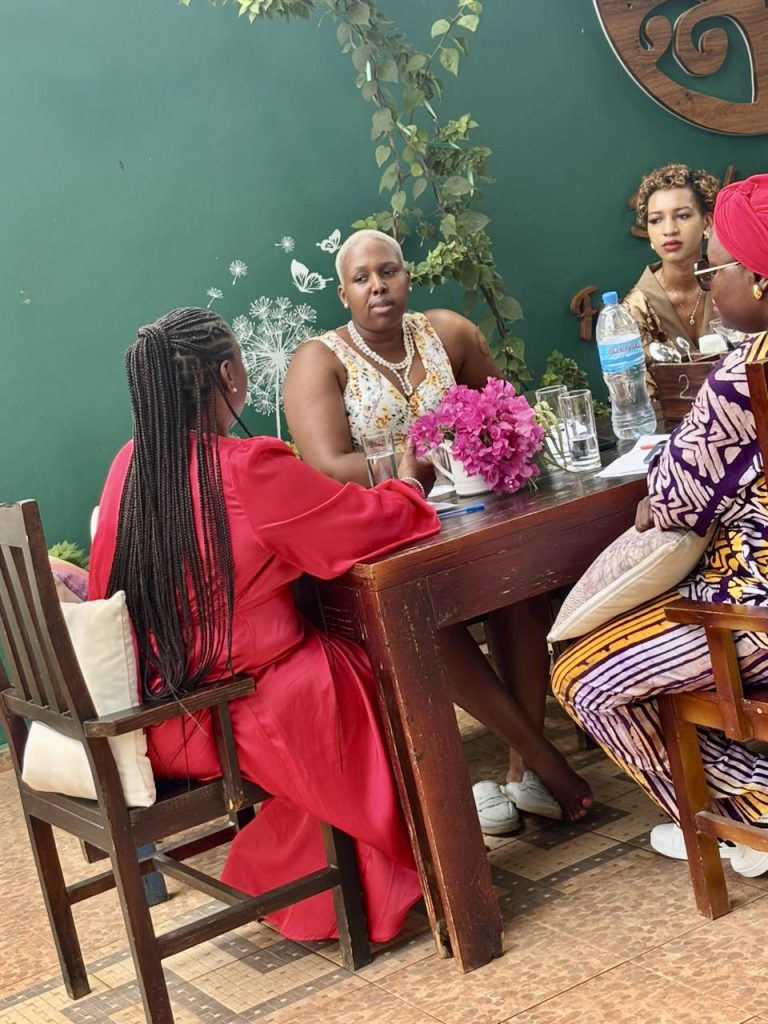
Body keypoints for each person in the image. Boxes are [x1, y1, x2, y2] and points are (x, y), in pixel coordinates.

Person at [88, 307, 441, 943]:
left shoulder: (129, 465)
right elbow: (363, 525)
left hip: (157, 716)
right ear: (228, 374)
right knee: (362, 671)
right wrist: (410, 485)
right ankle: (411, 864)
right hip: (231, 714)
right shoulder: (245, 467)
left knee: (324, 667)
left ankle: (310, 873)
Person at [284, 229, 592, 831]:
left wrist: (486, 448)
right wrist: (410, 469)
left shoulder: (448, 332)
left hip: (468, 519)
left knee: (517, 587)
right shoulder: (319, 361)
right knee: (419, 609)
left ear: (408, 277)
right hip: (381, 535)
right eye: (362, 278)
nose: (378, 286)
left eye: (389, 271)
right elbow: (325, 467)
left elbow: (507, 415)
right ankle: (543, 757)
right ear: (343, 293)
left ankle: (522, 772)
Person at [552, 174, 768, 878]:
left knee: (581, 677)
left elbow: (674, 502)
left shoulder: (746, 377)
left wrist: (663, 490)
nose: (709, 282)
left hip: (750, 615)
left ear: (758, 280)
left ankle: (747, 816)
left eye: (715, 270)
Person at [624, 163, 720, 390]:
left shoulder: (734, 282)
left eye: (683, 216)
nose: (669, 230)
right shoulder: (633, 311)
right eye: (656, 220)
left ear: (707, 222)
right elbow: (640, 396)